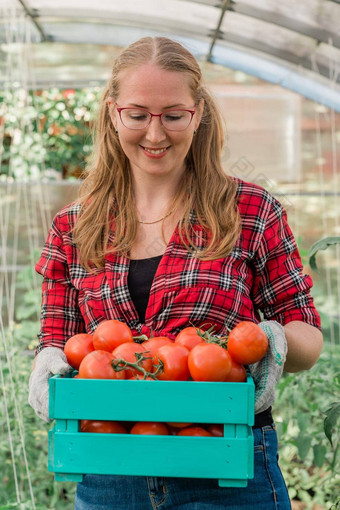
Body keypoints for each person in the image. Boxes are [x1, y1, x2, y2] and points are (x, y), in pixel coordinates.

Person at [28, 36, 322, 510]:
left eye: (173, 114)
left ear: (198, 113)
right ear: (112, 113)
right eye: (138, 114)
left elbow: (307, 331)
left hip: (225, 471)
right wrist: (47, 365)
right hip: (111, 474)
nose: (155, 134)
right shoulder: (74, 228)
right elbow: (58, 342)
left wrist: (275, 341)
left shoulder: (250, 210)